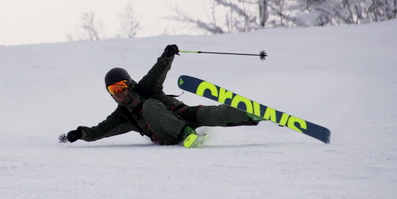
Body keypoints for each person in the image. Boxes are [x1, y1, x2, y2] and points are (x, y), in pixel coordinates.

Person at [60, 44, 260, 148]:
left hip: (180, 113)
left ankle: (251, 115)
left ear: (128, 83)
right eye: (113, 90)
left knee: (209, 112)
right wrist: (80, 133)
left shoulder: (147, 88)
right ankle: (186, 135)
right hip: (166, 134)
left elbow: (157, 71)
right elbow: (98, 131)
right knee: (149, 107)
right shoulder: (123, 116)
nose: (119, 93)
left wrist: (167, 55)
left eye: (121, 87)